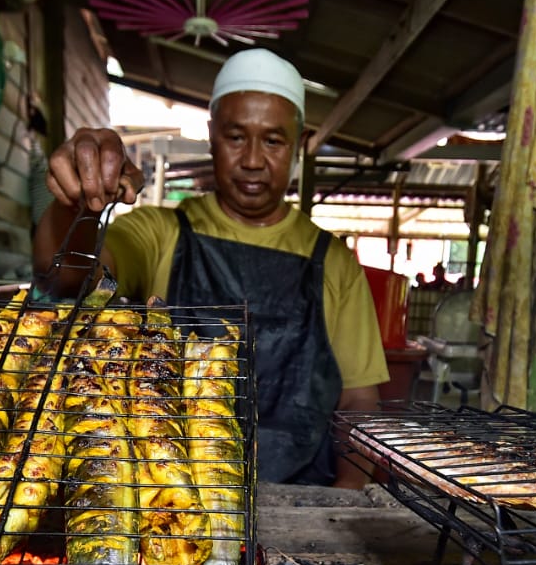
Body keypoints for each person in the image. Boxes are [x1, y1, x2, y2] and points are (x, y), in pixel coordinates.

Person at [32, 48, 388, 489]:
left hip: (300, 497)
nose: (253, 160)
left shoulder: (334, 261)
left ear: (298, 144)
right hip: (171, 502)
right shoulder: (160, 232)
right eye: (236, 137)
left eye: (273, 141)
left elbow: (358, 400)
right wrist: (79, 203)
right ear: (212, 136)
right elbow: (66, 276)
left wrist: (343, 500)